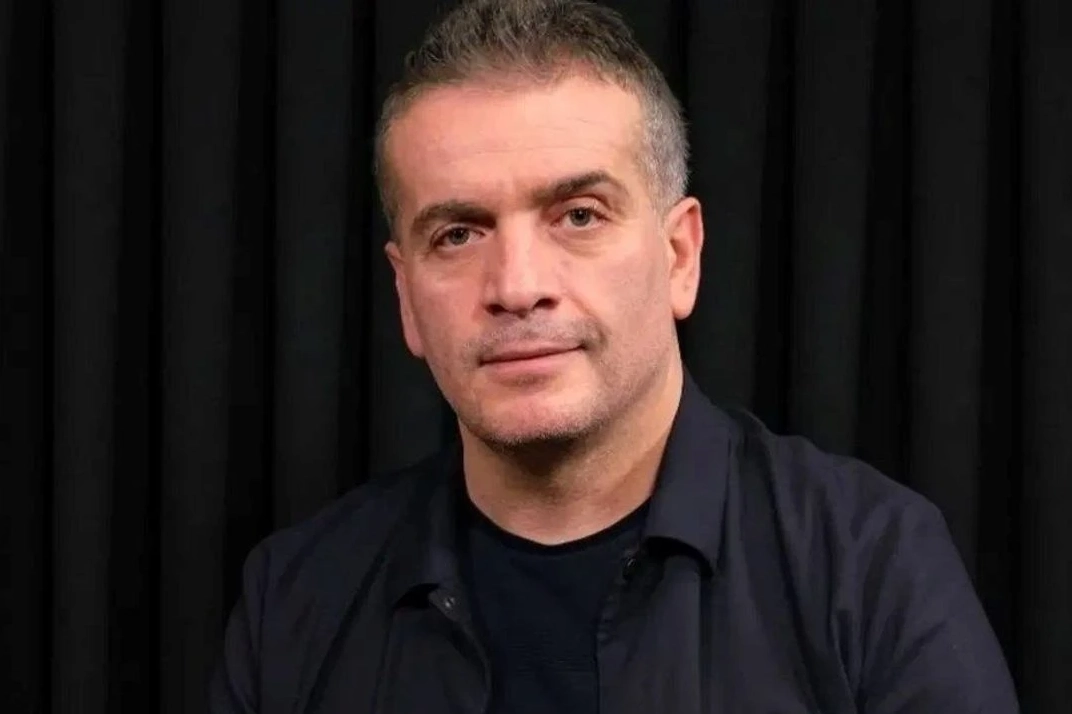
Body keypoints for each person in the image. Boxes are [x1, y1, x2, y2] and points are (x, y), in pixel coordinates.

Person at [210, 1, 1019, 712]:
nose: (517, 287)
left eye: (579, 216)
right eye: (457, 234)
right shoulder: (297, 600)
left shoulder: (870, 566)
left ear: (680, 257)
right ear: (405, 295)